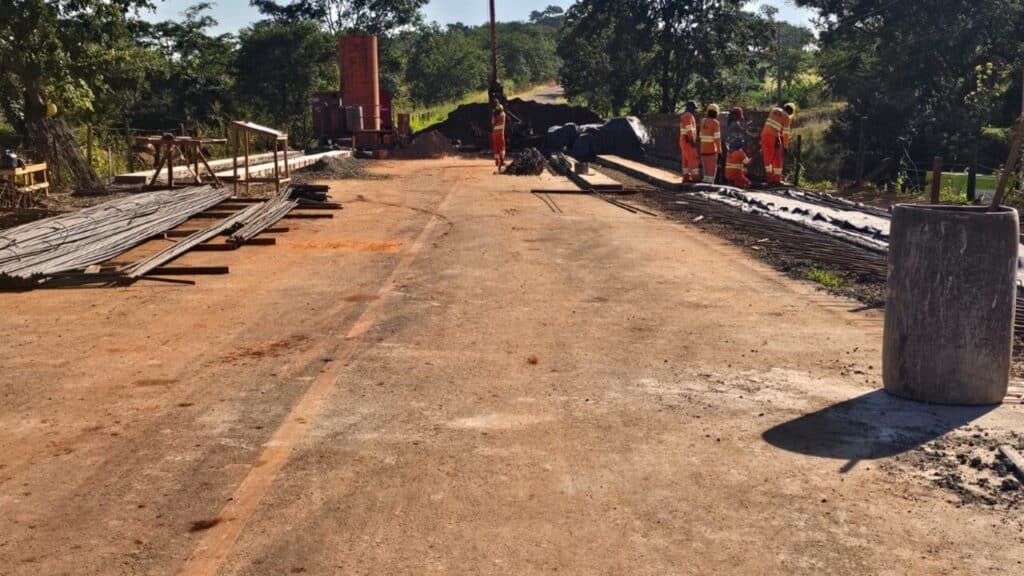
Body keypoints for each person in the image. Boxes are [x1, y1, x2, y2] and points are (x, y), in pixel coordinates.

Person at [761, 102, 796, 185]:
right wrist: (785, 146)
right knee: (777, 158)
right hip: (773, 137)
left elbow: (772, 124)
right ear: (791, 112)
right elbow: (785, 134)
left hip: (764, 135)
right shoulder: (786, 117)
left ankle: (769, 178)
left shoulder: (774, 110)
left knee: (768, 157)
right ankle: (776, 179)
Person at [699, 104, 722, 184]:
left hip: (703, 150)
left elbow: (701, 136)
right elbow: (717, 139)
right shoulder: (715, 123)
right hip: (712, 150)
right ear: (716, 113)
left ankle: (704, 184)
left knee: (705, 171)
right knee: (711, 170)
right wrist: (719, 152)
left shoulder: (703, 121)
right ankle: (710, 186)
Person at [678, 101, 700, 183]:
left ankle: (686, 177)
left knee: (685, 159)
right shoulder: (689, 116)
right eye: (694, 108)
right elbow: (690, 130)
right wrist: (692, 141)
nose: (694, 110)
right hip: (688, 141)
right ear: (690, 107)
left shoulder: (684, 115)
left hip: (683, 140)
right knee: (693, 159)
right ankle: (695, 178)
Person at [492, 101, 507, 172]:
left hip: (495, 133)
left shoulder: (495, 115)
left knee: (496, 148)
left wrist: (494, 113)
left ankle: (497, 162)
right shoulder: (503, 114)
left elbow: (492, 122)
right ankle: (502, 162)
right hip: (500, 133)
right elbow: (501, 109)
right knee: (502, 147)